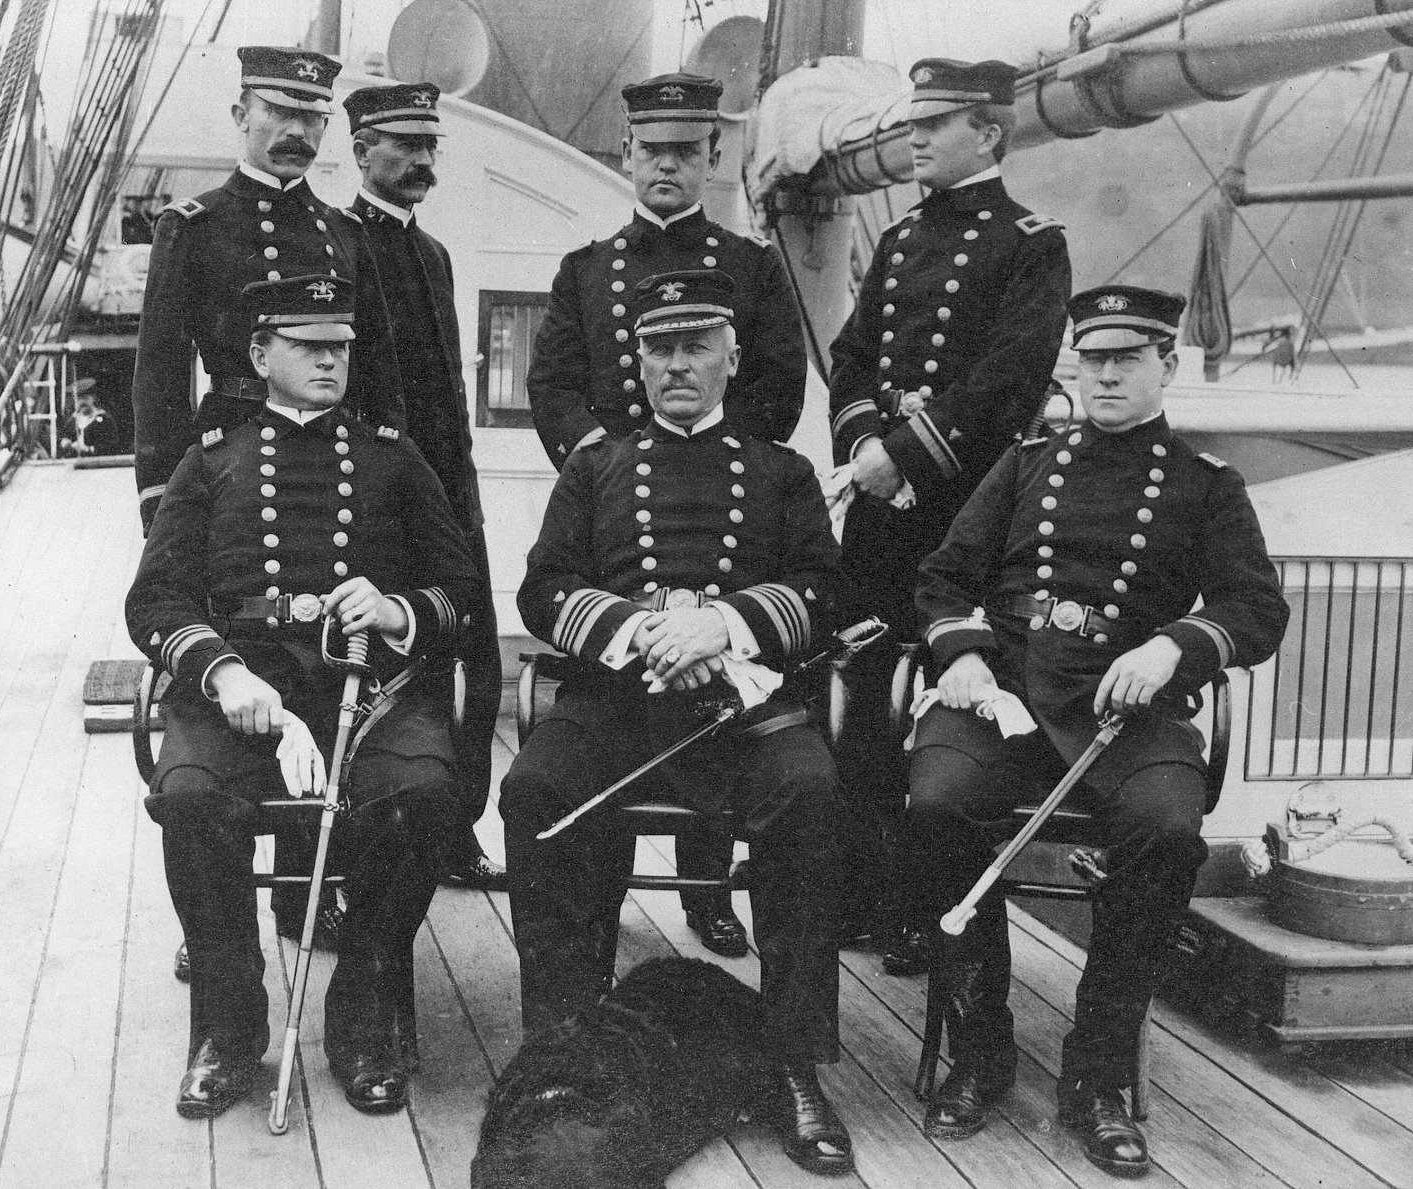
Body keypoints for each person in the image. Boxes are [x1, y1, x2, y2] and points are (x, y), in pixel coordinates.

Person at [898, 285, 1289, 1174]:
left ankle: (1098, 1074)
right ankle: (982, 1047)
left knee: (1165, 830)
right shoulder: (1025, 463)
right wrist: (957, 653)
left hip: (1131, 708)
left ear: (1167, 366)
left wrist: (1175, 643)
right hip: (1004, 696)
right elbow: (942, 575)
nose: (1106, 374)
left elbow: (1256, 607)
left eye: (1128, 359)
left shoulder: (1203, 484)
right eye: (1094, 357)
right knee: (936, 806)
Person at [502, 270, 855, 1176]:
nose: (677, 366)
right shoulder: (595, 467)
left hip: (739, 713)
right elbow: (543, 589)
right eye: (659, 349)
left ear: (733, 358)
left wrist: (725, 622)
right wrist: (638, 629)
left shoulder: (784, 472)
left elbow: (825, 589)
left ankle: (790, 1061)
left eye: (696, 346)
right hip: (618, 701)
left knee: (812, 796)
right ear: (639, 361)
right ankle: (566, 1040)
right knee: (534, 789)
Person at [126, 275, 479, 1119]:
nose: (329, 359)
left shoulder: (394, 458)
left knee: (425, 794)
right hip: (241, 688)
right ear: (260, 354)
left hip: (369, 688)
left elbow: (461, 587)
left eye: (341, 346)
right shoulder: (212, 461)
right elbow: (155, 599)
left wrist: (397, 609)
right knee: (191, 798)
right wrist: (220, 670)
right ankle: (230, 1025)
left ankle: (361, 1014)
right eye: (308, 343)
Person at [525, 72, 809, 955]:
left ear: (711, 158)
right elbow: (553, 384)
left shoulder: (753, 268)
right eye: (653, 151)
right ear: (627, 155)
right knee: (566, 766)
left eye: (687, 152)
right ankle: (588, 921)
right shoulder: (586, 271)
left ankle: (709, 890)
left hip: (725, 511)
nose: (667, 167)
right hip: (614, 503)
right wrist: (606, 462)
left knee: (738, 724)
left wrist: (728, 469)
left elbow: (776, 387)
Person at [825, 58, 1072, 970]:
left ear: (991, 134)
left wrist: (904, 455)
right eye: (913, 123)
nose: (915, 139)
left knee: (945, 702)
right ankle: (862, 893)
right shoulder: (896, 242)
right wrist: (862, 449)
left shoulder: (1031, 244)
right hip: (883, 512)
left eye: (935, 124)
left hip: (964, 513)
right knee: (861, 693)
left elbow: (1009, 379)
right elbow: (851, 358)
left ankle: (929, 913)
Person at [131, 45, 406, 535]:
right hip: (231, 451)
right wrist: (159, 492)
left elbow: (380, 366)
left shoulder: (344, 231)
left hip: (332, 452)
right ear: (241, 116)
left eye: (311, 117)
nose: (296, 132)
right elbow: (160, 376)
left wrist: (389, 465)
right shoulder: (194, 225)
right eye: (278, 112)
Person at [344, 82, 506, 891]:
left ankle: (454, 828)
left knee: (480, 669)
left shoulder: (433, 254)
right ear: (361, 150)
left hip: (451, 504)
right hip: (382, 509)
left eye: (430, 146)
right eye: (404, 145)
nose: (422, 160)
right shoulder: (338, 245)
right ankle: (354, 855)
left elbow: (447, 393)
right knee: (399, 675)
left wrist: (466, 503)